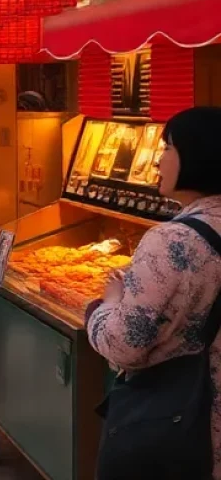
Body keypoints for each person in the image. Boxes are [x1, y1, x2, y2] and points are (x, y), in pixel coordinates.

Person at [86, 107, 221, 480]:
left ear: (197, 156)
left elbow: (123, 344)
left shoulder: (171, 240)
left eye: (168, 148)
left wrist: (105, 305)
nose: (158, 160)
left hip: (181, 425)